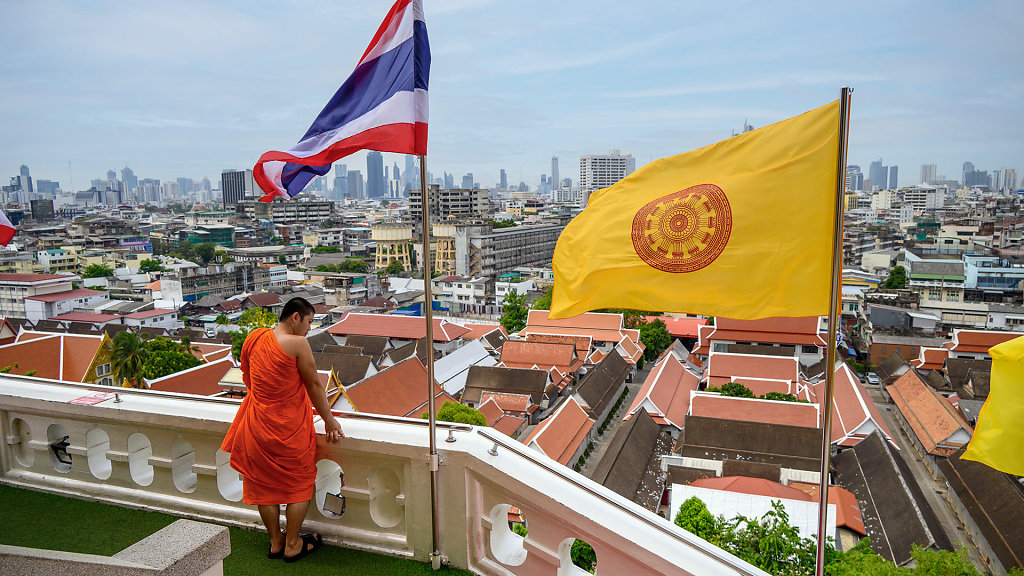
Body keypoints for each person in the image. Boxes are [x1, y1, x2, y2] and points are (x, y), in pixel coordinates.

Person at [221, 297, 344, 563]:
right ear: (296, 317)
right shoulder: (298, 344)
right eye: (309, 322)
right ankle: (292, 543)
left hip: (256, 424)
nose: (310, 329)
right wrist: (330, 420)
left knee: (264, 486)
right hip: (288, 427)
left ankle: (275, 541)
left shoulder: (254, 338)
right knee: (298, 485)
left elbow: (249, 378)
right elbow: (313, 385)